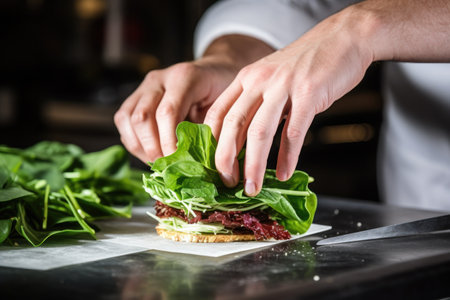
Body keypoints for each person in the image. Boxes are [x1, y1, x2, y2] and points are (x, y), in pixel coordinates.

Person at [114, 0, 450, 211]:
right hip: (421, 208)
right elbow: (298, 4)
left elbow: (360, 25)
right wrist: (230, 61)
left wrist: (366, 26)